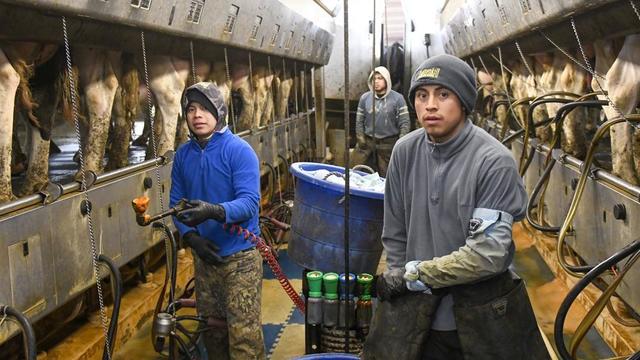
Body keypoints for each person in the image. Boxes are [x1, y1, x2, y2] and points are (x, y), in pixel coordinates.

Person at [363, 55, 549, 359]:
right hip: (418, 311)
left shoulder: (493, 161)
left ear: (463, 101)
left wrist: (415, 275)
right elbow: (395, 234)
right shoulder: (404, 152)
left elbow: (487, 254)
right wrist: (398, 297)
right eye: (422, 96)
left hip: (480, 316)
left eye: (443, 94)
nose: (430, 105)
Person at [170, 82, 265, 359]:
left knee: (244, 340)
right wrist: (191, 238)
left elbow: (249, 203)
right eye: (191, 109)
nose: (197, 115)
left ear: (218, 111)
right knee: (212, 334)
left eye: (204, 108)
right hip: (206, 258)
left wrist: (213, 211)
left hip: (240, 259)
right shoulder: (183, 156)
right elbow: (177, 204)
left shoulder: (239, 151)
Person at [354, 66, 410, 177]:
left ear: (387, 80)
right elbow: (359, 120)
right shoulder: (365, 98)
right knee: (356, 172)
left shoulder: (398, 99)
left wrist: (400, 143)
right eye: (374, 78)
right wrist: (360, 137)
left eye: (380, 78)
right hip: (368, 142)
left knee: (388, 176)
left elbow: (405, 123)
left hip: (388, 144)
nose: (376, 81)